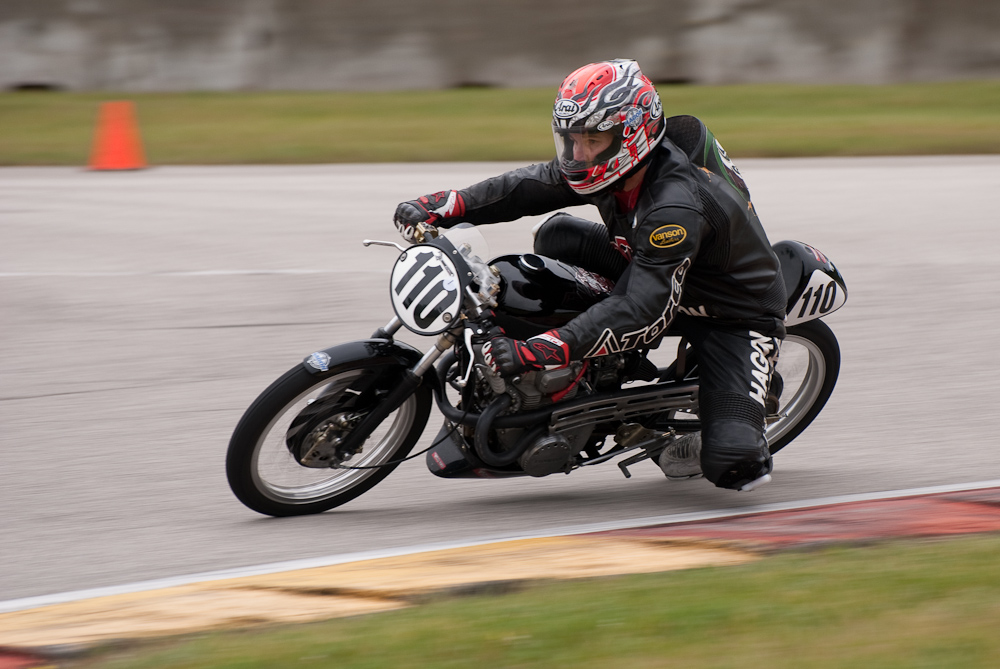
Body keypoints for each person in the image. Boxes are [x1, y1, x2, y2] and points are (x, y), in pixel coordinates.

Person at [393, 59, 785, 491]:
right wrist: (448, 205)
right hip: (654, 263)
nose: (577, 155)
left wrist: (542, 349)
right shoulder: (615, 163)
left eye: (591, 140)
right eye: (570, 139)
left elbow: (643, 308)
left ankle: (702, 424)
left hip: (729, 311)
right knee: (556, 235)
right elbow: (530, 184)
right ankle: (591, 372)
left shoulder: (673, 208)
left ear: (631, 136)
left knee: (733, 463)